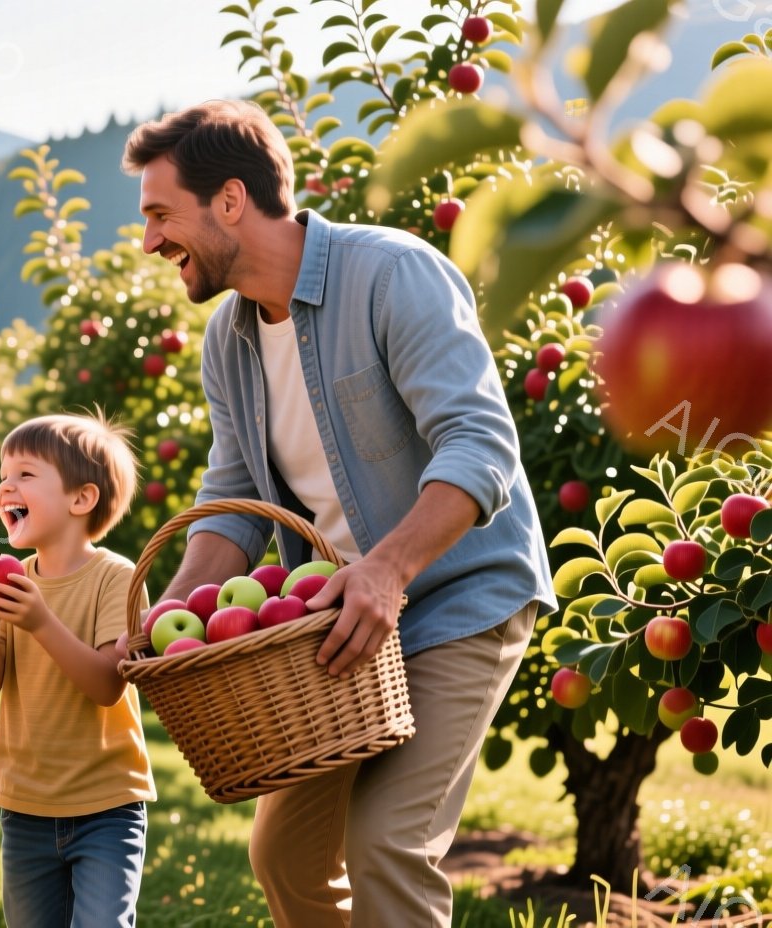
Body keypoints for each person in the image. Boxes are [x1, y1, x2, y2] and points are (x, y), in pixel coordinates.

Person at [120, 100, 556, 927]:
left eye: (161, 215)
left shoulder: (393, 274)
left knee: (387, 844)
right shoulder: (228, 341)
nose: (149, 242)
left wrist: (387, 571)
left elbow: (479, 443)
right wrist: (164, 615)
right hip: (333, 620)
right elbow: (233, 501)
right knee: (284, 855)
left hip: (455, 596)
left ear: (230, 200)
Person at [0, 412, 156, 928]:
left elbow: (107, 685)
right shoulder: (12, 580)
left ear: (81, 498)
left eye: (25, 474)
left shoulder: (116, 578)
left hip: (107, 806)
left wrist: (41, 622)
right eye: (3, 475)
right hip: (25, 805)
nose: (5, 487)